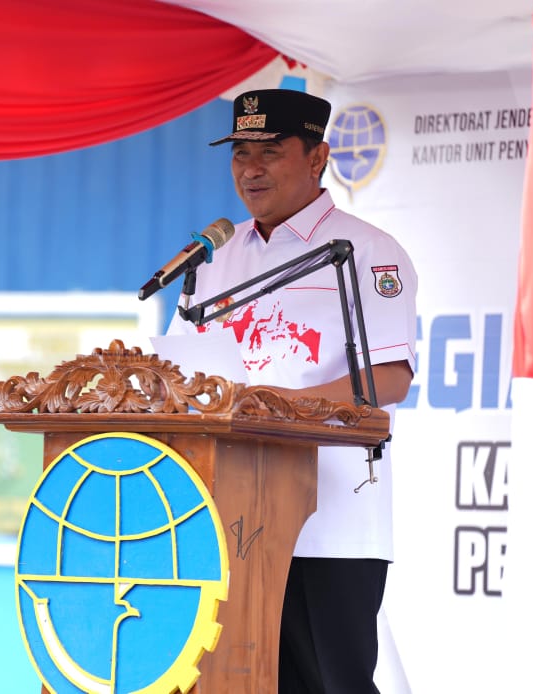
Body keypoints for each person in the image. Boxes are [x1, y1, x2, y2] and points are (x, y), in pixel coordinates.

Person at [166, 88, 418, 693]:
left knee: (331, 683)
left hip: (332, 522)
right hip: (228, 516)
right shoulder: (213, 259)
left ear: (317, 158)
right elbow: (176, 372)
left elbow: (389, 377)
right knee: (237, 680)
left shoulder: (367, 252)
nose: (250, 169)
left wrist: (273, 406)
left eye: (270, 152)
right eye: (240, 153)